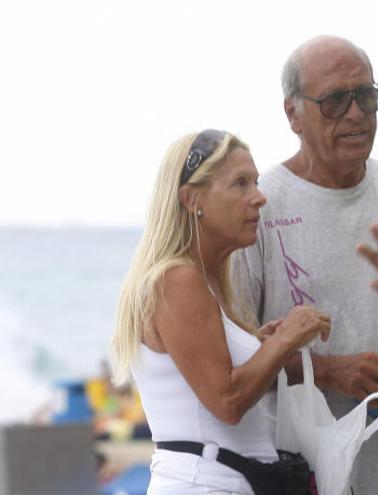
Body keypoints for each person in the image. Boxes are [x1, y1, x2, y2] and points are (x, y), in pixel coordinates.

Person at [232, 35, 378, 493]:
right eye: (334, 101)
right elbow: (233, 358)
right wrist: (328, 371)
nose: (356, 114)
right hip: (300, 476)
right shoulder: (260, 208)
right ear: (292, 114)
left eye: (367, 96)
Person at [112, 130, 331, 494]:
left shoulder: (201, 281)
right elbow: (226, 401)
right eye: (240, 184)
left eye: (256, 183)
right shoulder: (178, 280)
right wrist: (287, 338)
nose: (259, 198)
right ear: (192, 198)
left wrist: (262, 344)